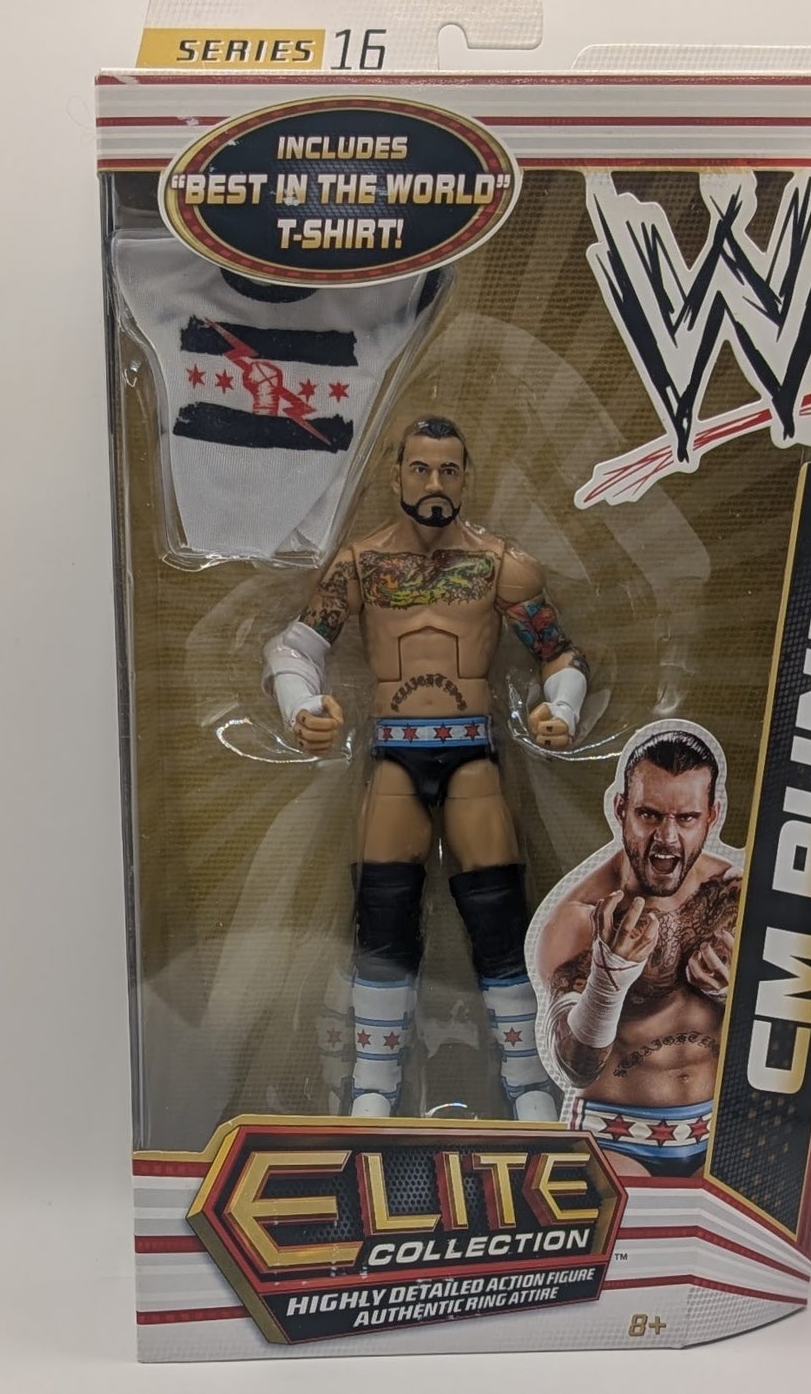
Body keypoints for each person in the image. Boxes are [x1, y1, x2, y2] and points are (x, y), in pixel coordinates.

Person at [263, 415, 588, 1119]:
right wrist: (300, 707)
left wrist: (561, 708)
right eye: (420, 468)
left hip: (472, 751)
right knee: (383, 910)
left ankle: (529, 1080)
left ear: (466, 478)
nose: (434, 482)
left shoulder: (502, 565)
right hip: (394, 752)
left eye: (448, 469)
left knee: (498, 913)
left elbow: (558, 652)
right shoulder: (359, 564)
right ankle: (372, 1085)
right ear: (396, 475)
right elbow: (294, 647)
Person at [531, 725, 741, 1177]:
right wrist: (607, 980)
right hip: (615, 1136)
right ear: (620, 809)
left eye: (686, 818)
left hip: (716, 1131)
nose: (667, 838)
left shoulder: (734, 896)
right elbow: (574, 1067)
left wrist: (738, 998)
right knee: (627, 1219)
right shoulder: (580, 918)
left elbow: (797, 1038)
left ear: (712, 815)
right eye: (649, 815)